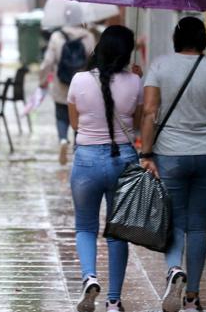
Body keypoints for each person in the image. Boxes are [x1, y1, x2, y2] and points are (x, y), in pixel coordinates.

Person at [139, 16, 206, 312]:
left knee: (174, 221)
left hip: (171, 154)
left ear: (175, 38)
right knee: (198, 225)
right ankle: (193, 297)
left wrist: (145, 154)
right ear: (203, 39)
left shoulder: (160, 65)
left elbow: (149, 111)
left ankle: (174, 269)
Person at [67, 25, 143, 312]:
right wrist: (135, 80)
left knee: (85, 226)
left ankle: (89, 277)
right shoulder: (135, 82)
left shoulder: (78, 80)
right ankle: (113, 300)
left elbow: (76, 125)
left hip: (86, 159)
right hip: (123, 159)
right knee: (117, 232)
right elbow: (135, 122)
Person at [39, 4, 95, 165]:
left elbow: (48, 62)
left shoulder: (57, 36)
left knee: (61, 115)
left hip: (61, 84)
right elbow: (94, 62)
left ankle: (63, 140)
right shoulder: (88, 37)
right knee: (81, 118)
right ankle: (78, 148)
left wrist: (42, 81)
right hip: (83, 86)